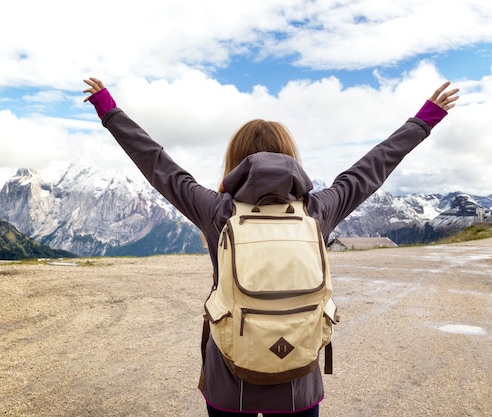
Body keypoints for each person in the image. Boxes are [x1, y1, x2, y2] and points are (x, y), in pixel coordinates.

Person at [83, 77, 459, 416]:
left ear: (234, 160)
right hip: (298, 373)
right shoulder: (318, 209)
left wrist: (108, 109)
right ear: (291, 157)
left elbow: (157, 165)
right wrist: (424, 119)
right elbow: (372, 167)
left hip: (230, 375)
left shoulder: (217, 211)